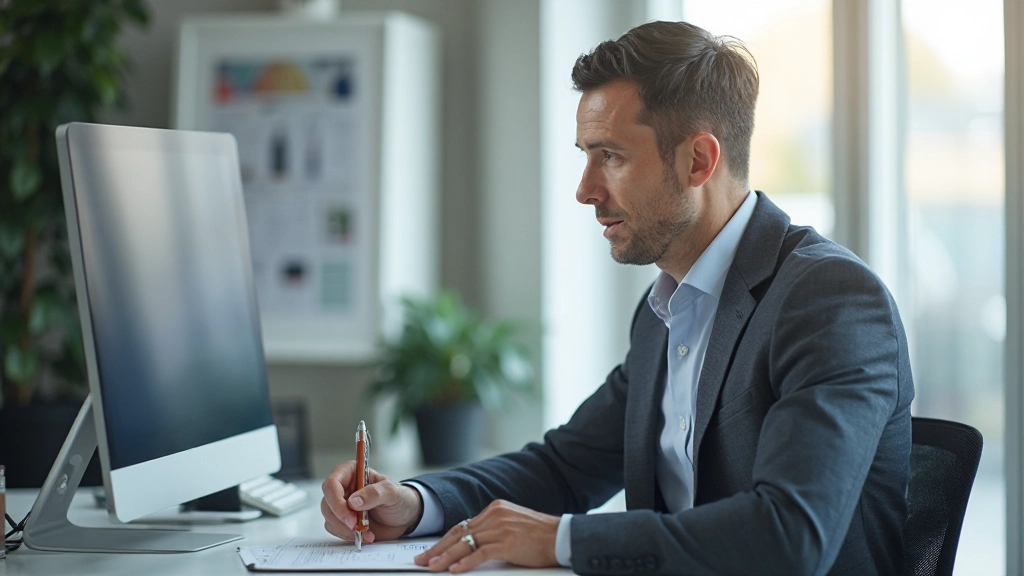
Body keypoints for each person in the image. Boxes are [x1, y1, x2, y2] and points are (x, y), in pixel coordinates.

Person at [321, 20, 913, 575]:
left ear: (699, 161)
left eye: (611, 156)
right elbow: (565, 466)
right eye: (586, 156)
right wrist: (416, 502)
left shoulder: (829, 300)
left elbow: (791, 536)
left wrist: (561, 540)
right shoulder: (665, 310)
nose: (585, 191)